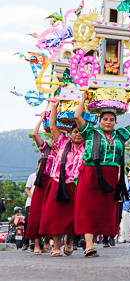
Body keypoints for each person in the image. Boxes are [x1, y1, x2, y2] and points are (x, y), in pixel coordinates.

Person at [74, 93, 130, 257]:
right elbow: (77, 115)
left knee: (103, 211)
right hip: (91, 173)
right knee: (89, 208)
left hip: (111, 175)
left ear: (115, 122)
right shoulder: (90, 133)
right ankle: (89, 244)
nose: (108, 122)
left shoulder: (120, 135)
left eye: (112, 120)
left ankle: (90, 239)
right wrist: (83, 98)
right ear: (99, 121)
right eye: (105, 119)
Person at [39, 100, 86, 256]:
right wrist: (54, 107)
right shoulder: (62, 142)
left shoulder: (88, 147)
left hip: (76, 186)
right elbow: (53, 126)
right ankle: (57, 247)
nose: (78, 134)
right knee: (57, 217)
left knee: (73, 217)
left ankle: (70, 240)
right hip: (58, 184)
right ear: (70, 134)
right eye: (75, 131)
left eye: (80, 131)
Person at [28, 111, 55, 255]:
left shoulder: (64, 150)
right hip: (42, 183)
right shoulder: (46, 148)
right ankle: (37, 243)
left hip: (54, 184)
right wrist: (40, 119)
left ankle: (47, 241)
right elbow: (34, 134)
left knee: (50, 214)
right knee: (37, 213)